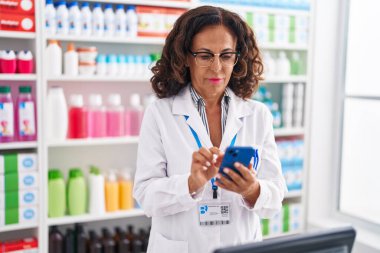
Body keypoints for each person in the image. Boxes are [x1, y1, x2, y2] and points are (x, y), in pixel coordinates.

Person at [133, 5, 287, 253]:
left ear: (237, 58)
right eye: (205, 55)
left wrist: (252, 190)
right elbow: (146, 197)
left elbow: (276, 197)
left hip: (240, 245)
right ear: (185, 57)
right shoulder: (160, 114)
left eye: (226, 55)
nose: (217, 68)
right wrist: (191, 183)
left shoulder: (258, 115)